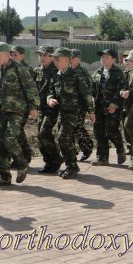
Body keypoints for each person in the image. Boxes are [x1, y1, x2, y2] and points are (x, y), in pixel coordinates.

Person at [0, 42, 39, 185]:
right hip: (3, 110)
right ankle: (4, 176)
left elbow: (31, 87)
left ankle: (22, 164)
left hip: (17, 110)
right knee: (0, 142)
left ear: (6, 54)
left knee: (9, 139)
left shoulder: (18, 68)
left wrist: (33, 106)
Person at [48, 48, 95, 179]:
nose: (55, 61)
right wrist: (50, 99)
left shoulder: (76, 75)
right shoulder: (57, 75)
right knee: (63, 140)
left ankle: (72, 166)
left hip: (73, 113)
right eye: (54, 59)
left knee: (63, 138)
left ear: (67, 60)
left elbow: (86, 94)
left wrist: (91, 112)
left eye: (58, 59)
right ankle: (70, 165)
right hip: (61, 113)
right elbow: (51, 92)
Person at [91, 49, 126, 166]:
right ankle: (102, 157)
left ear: (113, 60)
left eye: (106, 57)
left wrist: (115, 103)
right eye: (103, 57)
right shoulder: (97, 72)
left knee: (111, 131)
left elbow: (121, 89)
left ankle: (120, 148)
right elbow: (92, 89)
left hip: (112, 108)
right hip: (98, 107)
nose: (103, 59)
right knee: (98, 132)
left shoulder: (118, 73)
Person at [33, 44, 62, 173]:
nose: (42, 58)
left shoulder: (57, 70)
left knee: (45, 133)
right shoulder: (37, 71)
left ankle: (56, 159)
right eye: (40, 55)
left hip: (52, 108)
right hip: (41, 108)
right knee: (40, 136)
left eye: (45, 55)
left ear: (52, 56)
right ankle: (48, 162)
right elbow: (33, 89)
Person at [10, 45, 34, 166]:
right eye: (12, 55)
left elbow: (30, 89)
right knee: (16, 132)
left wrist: (32, 107)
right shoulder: (9, 67)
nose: (13, 57)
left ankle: (25, 155)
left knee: (17, 131)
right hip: (12, 107)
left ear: (22, 56)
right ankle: (22, 157)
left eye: (16, 55)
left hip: (23, 106)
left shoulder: (26, 68)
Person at [70, 49, 94, 161]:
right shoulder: (66, 70)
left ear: (79, 58)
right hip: (68, 105)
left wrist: (90, 110)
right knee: (66, 128)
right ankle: (71, 150)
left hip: (80, 106)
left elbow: (88, 92)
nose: (70, 60)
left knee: (77, 127)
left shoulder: (83, 72)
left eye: (73, 57)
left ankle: (87, 146)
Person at [121, 50, 133, 155]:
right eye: (125, 59)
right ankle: (130, 146)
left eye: (129, 59)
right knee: (125, 127)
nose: (127, 61)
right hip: (123, 105)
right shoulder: (122, 74)